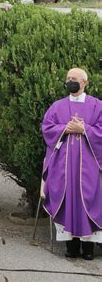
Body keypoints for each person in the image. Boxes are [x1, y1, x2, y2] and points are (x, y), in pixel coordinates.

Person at [41, 68, 101, 260]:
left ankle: (88, 248)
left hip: (89, 165)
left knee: (88, 199)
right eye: (67, 78)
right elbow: (47, 128)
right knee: (67, 198)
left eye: (73, 78)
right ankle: (72, 247)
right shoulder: (57, 106)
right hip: (64, 165)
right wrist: (65, 128)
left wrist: (84, 129)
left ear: (85, 82)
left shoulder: (97, 106)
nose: (70, 81)